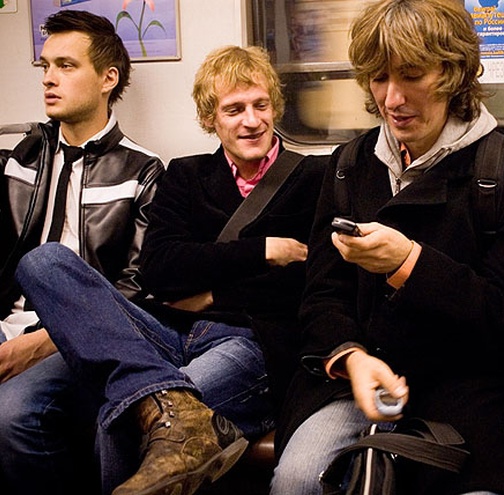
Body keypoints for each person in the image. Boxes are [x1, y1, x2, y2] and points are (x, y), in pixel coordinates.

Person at [270, 0, 504, 494]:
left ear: (454, 74)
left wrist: (409, 263)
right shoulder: (348, 166)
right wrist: (352, 358)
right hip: (359, 377)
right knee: (297, 480)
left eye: (412, 75)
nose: (393, 98)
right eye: (379, 78)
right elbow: (321, 294)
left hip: (468, 385)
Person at [15, 44, 327, 495]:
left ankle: (153, 400)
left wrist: (213, 294)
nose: (252, 121)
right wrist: (263, 251)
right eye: (234, 109)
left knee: (122, 421)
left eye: (260, 105)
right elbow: (159, 271)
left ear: (274, 108)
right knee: (42, 262)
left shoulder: (315, 177)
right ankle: (156, 392)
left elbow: (307, 282)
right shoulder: (185, 175)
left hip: (251, 341)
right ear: (211, 119)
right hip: (169, 331)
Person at [0, 10, 165, 494]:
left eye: (66, 66)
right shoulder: (18, 160)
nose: (49, 78)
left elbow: (135, 291)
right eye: (46, 66)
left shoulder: (142, 171)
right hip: (7, 321)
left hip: (76, 338)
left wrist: (42, 341)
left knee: (11, 417)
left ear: (107, 79)